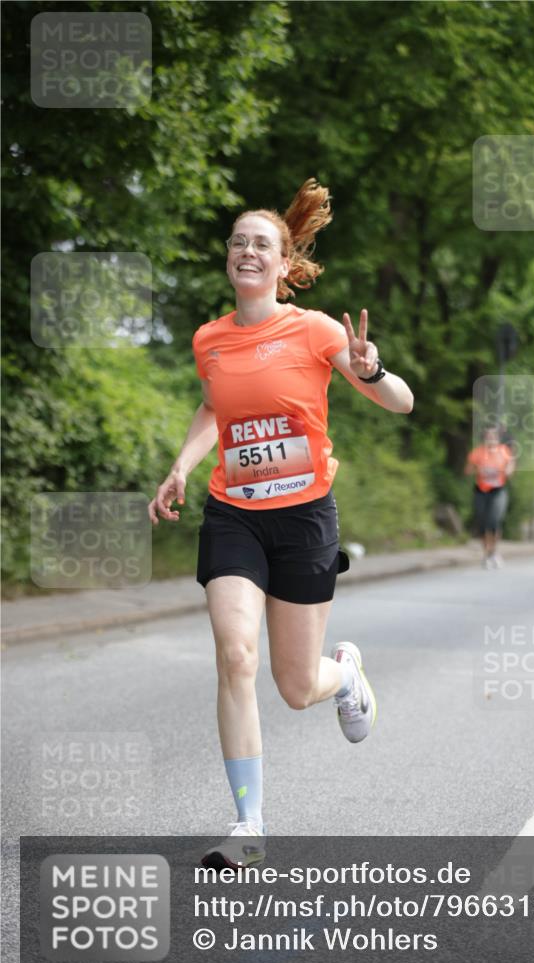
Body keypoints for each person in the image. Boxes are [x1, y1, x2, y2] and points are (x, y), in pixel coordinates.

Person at [147, 179, 413, 868]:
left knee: (296, 688)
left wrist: (373, 368)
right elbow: (214, 411)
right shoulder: (210, 339)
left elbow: (401, 403)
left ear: (283, 262)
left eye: (260, 242)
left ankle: (345, 675)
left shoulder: (316, 330)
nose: (245, 250)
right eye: (237, 241)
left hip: (303, 518)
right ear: (229, 258)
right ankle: (248, 825)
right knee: (235, 656)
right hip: (233, 512)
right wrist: (180, 466)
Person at [464, 426, 515, 568]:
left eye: (493, 436)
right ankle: (486, 554)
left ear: (498, 438)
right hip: (481, 490)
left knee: (494, 521)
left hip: (498, 490)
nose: (491, 438)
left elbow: (510, 470)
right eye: (488, 436)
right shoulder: (478, 453)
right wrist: (477, 468)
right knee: (482, 522)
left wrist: (506, 469)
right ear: (484, 438)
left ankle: (494, 552)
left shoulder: (504, 452)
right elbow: (467, 471)